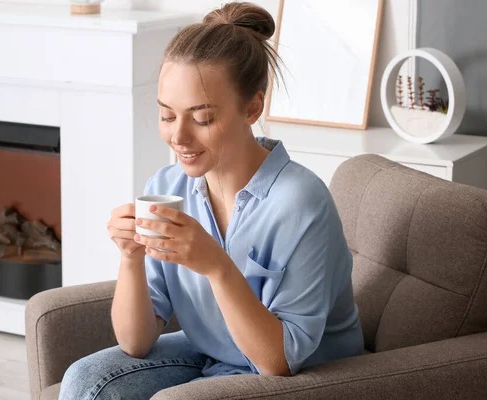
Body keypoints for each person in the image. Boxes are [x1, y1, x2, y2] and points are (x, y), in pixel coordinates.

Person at [59, 2, 364, 399]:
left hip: (307, 379)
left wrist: (216, 266)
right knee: (85, 379)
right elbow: (136, 343)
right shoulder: (170, 186)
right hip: (213, 355)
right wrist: (130, 257)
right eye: (168, 116)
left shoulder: (300, 202)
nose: (179, 137)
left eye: (202, 119)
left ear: (252, 107)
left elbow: (279, 362)